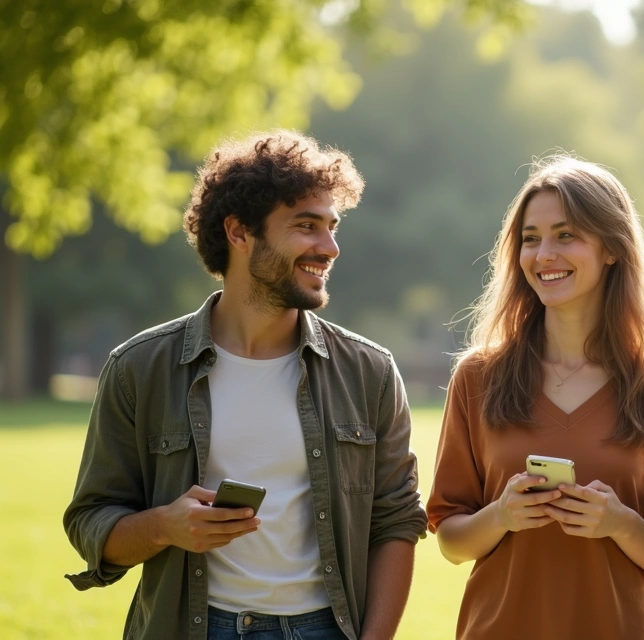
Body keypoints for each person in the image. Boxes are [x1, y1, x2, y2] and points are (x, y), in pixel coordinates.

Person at [63, 131, 428, 640]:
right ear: (238, 232)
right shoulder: (139, 367)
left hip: (325, 629)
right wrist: (166, 526)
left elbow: (395, 521)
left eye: (331, 227)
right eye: (306, 226)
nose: (329, 247)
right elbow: (91, 522)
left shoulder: (369, 371)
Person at [426, 155, 644, 639]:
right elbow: (451, 541)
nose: (544, 253)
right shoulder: (478, 377)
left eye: (565, 235)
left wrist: (620, 524)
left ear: (612, 248)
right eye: (531, 238)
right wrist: (501, 514)